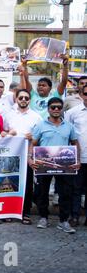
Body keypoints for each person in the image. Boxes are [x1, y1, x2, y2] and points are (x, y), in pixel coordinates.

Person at [29, 97, 80, 233]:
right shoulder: (40, 125)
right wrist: (30, 159)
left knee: (65, 193)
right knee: (42, 193)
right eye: (53, 107)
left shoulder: (69, 126)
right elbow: (33, 143)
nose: (56, 109)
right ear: (48, 109)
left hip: (64, 165)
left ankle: (63, 221)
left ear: (62, 109)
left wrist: (77, 160)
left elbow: (75, 143)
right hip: (43, 165)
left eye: (59, 107)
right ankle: (43, 217)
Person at [3, 89, 42, 225]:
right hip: (11, 156)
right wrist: (8, 133)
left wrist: (34, 136)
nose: (24, 100)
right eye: (21, 98)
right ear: (16, 99)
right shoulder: (8, 116)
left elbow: (40, 137)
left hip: (28, 156)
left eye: (26, 98)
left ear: (29, 100)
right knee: (8, 184)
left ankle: (25, 212)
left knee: (27, 185)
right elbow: (3, 132)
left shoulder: (36, 117)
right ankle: (8, 211)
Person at [64, 84, 87, 227]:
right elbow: (67, 134)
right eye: (86, 93)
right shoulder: (72, 112)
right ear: (81, 94)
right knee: (76, 189)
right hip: (79, 157)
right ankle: (75, 216)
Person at [20, 55, 69, 119]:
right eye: (39, 85)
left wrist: (65, 66)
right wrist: (24, 65)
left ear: (50, 88)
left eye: (43, 85)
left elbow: (64, 82)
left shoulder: (55, 97)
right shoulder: (32, 95)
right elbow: (26, 80)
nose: (40, 87)